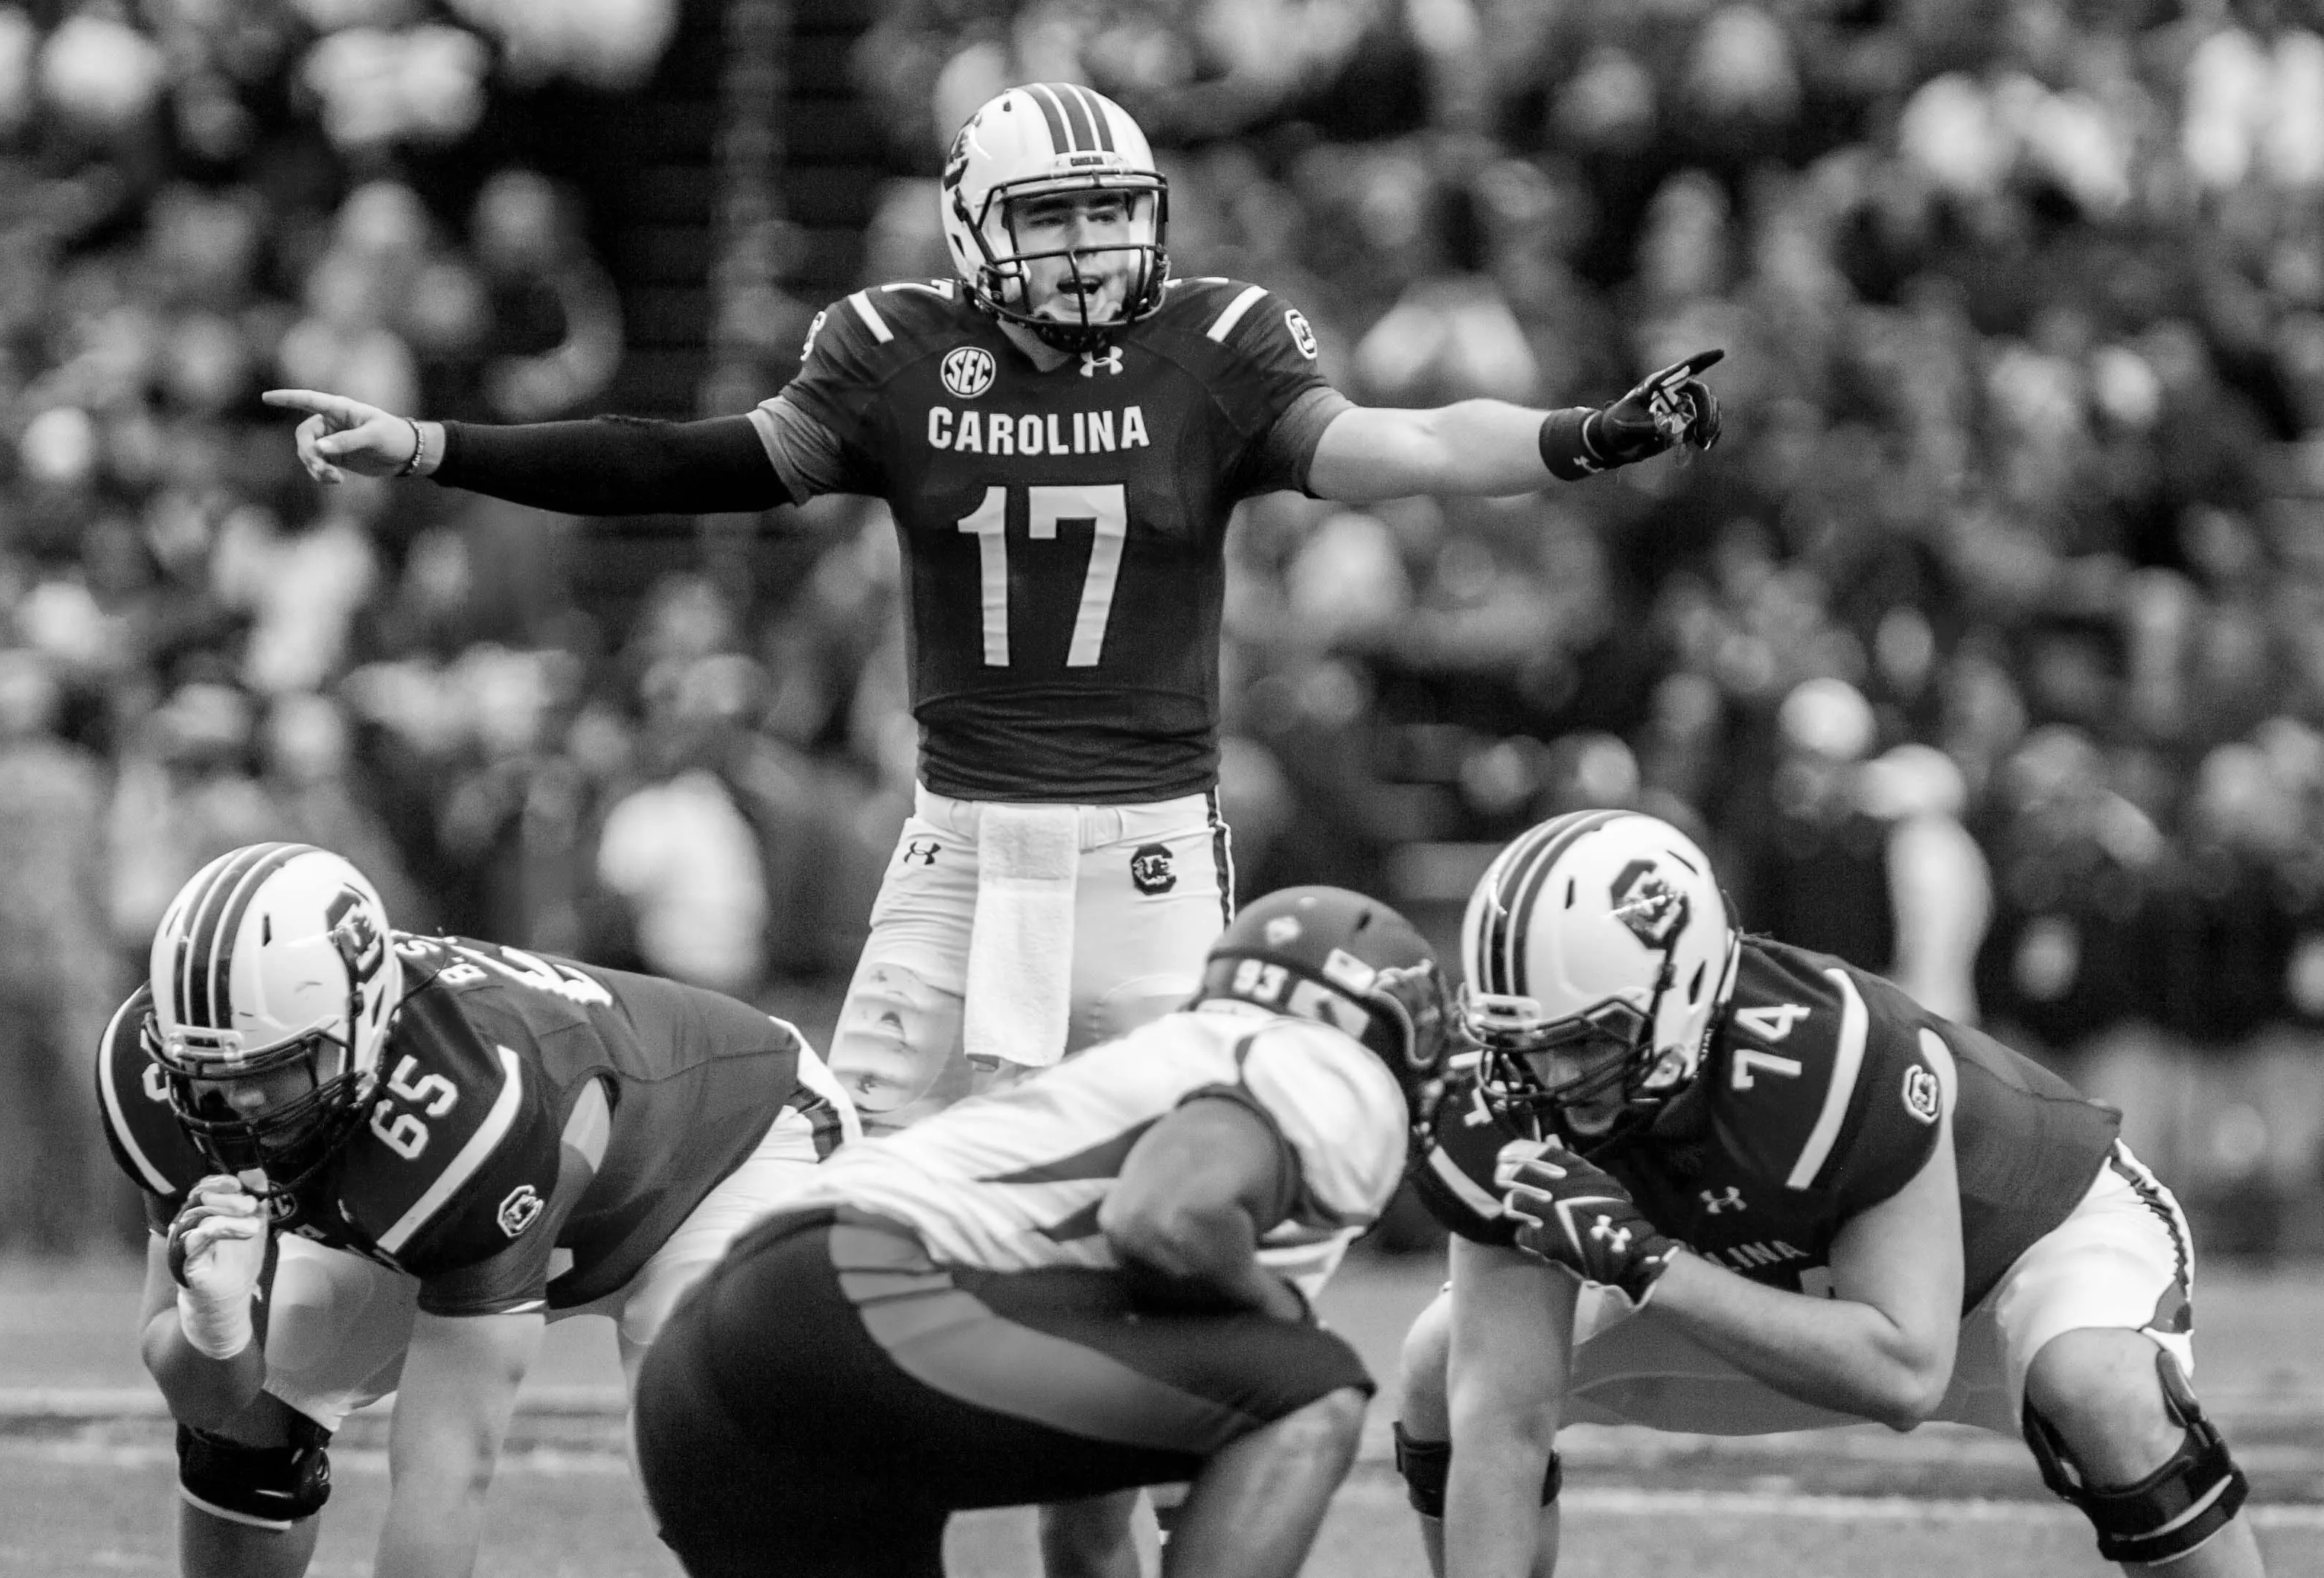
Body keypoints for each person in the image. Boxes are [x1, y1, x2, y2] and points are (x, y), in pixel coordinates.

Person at [261, 80, 1724, 1141]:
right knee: (852, 1164)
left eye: (1109, 212)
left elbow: (1407, 442)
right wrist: (435, 444)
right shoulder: (893, 352)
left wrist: (1577, 436)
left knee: (1171, 1167)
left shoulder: (1213, 344)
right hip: (956, 848)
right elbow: (675, 460)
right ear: (971, 227)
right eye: (1053, 215)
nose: (1088, 245)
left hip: (1147, 855)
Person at [1393, 810, 2264, 1578]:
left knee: (2100, 1389)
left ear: (1684, 995)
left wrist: (1651, 1266)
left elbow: (1905, 1371)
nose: (1552, 1079)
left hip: (2022, 1249)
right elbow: (1503, 1420)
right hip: (1785, 1289)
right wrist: (1650, 1264)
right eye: (1525, 1044)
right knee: (1444, 1364)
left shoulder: (1826, 1057)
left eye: (1587, 1042)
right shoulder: (1498, 1103)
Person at [630, 885, 1460, 1578]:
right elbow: (1167, 1220)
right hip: (853, 1295)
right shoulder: (1311, 1062)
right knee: (1311, 1386)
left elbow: (1086, 1535)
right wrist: (1279, 1311)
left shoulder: (1130, 1087)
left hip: (703, 1365)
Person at [93, 842, 857, 1578]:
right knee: (254, 1411)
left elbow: (447, 1468)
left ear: (364, 1027)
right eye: (209, 1074)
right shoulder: (152, 1076)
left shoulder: (471, 1104)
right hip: (504, 1184)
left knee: (700, 1451)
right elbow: (204, 1398)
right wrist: (217, 1325)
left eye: (277, 1068)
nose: (241, 1103)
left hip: (727, 1152)